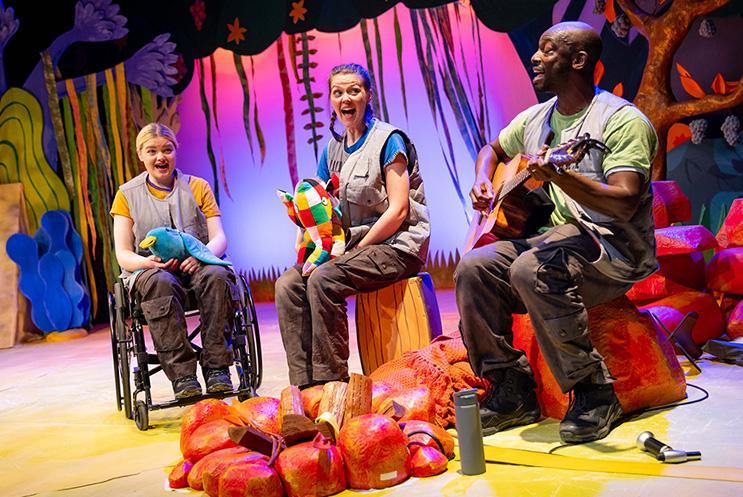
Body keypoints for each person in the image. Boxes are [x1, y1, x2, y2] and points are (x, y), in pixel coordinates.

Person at [455, 22, 658, 444]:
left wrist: (561, 178)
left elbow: (623, 201)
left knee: (533, 268)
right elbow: (492, 150)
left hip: (614, 247)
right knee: (474, 267)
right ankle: (511, 388)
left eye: (548, 50)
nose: (535, 57)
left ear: (578, 61)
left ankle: (594, 392)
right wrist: (482, 180)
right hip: (557, 238)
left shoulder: (622, 121)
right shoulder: (536, 118)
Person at [275, 63, 430, 389]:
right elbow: (313, 206)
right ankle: (305, 388)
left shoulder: (389, 140)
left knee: (325, 278)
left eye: (354, 90)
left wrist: (359, 247)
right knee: (288, 283)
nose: (346, 98)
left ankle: (332, 384)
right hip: (347, 248)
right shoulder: (331, 151)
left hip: (395, 245)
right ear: (331, 100)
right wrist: (305, 244)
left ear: (368, 95)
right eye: (338, 92)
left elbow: (399, 210)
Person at [111, 122, 238, 400]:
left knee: (218, 276)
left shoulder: (197, 187)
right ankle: (183, 376)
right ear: (140, 155)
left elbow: (219, 238)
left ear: (175, 151)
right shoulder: (126, 195)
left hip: (197, 264)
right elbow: (123, 253)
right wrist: (150, 264)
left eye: (167, 150)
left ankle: (217, 368)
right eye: (152, 151)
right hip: (151, 271)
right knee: (160, 283)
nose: (160, 157)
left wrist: (199, 255)